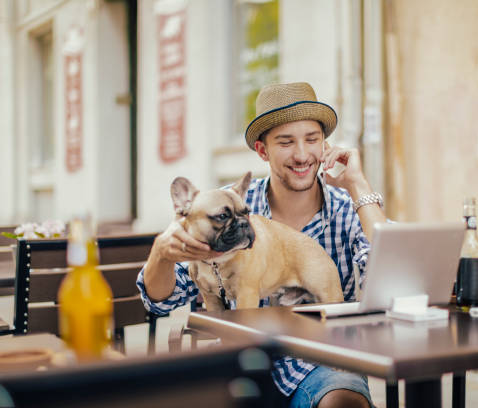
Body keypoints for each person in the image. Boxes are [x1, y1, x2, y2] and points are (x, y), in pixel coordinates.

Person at [137, 82, 386, 408]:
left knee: (343, 401)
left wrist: (358, 185)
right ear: (262, 150)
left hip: (320, 363)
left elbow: (391, 278)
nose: (301, 154)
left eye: (312, 140)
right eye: (286, 142)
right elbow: (163, 303)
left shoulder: (345, 206)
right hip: (237, 364)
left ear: (324, 145)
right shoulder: (225, 204)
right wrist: (161, 254)